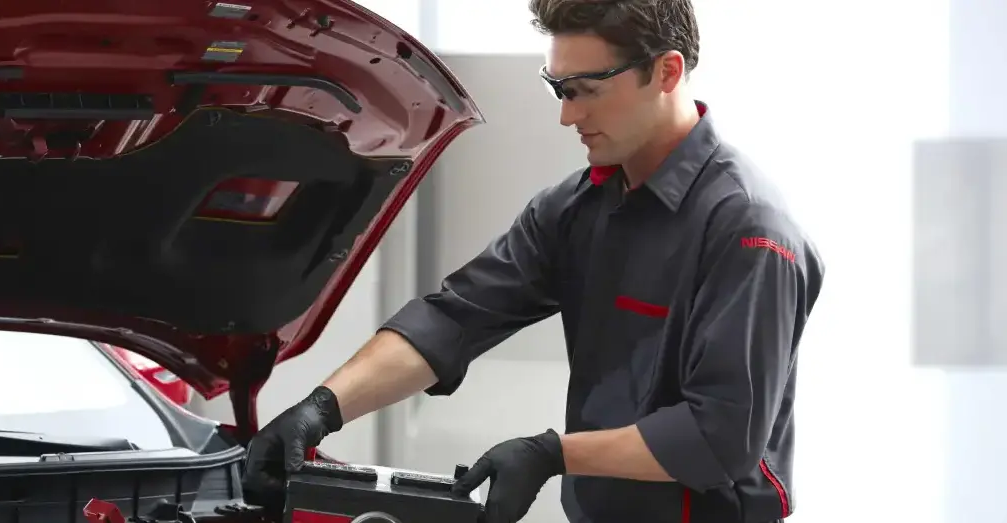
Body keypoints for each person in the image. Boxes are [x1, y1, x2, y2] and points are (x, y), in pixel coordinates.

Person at [241, 0, 824, 521]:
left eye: (587, 89)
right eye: (559, 89)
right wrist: (319, 409)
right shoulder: (574, 209)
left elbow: (718, 438)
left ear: (666, 72)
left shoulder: (748, 230)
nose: (567, 117)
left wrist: (551, 453)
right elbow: (453, 319)